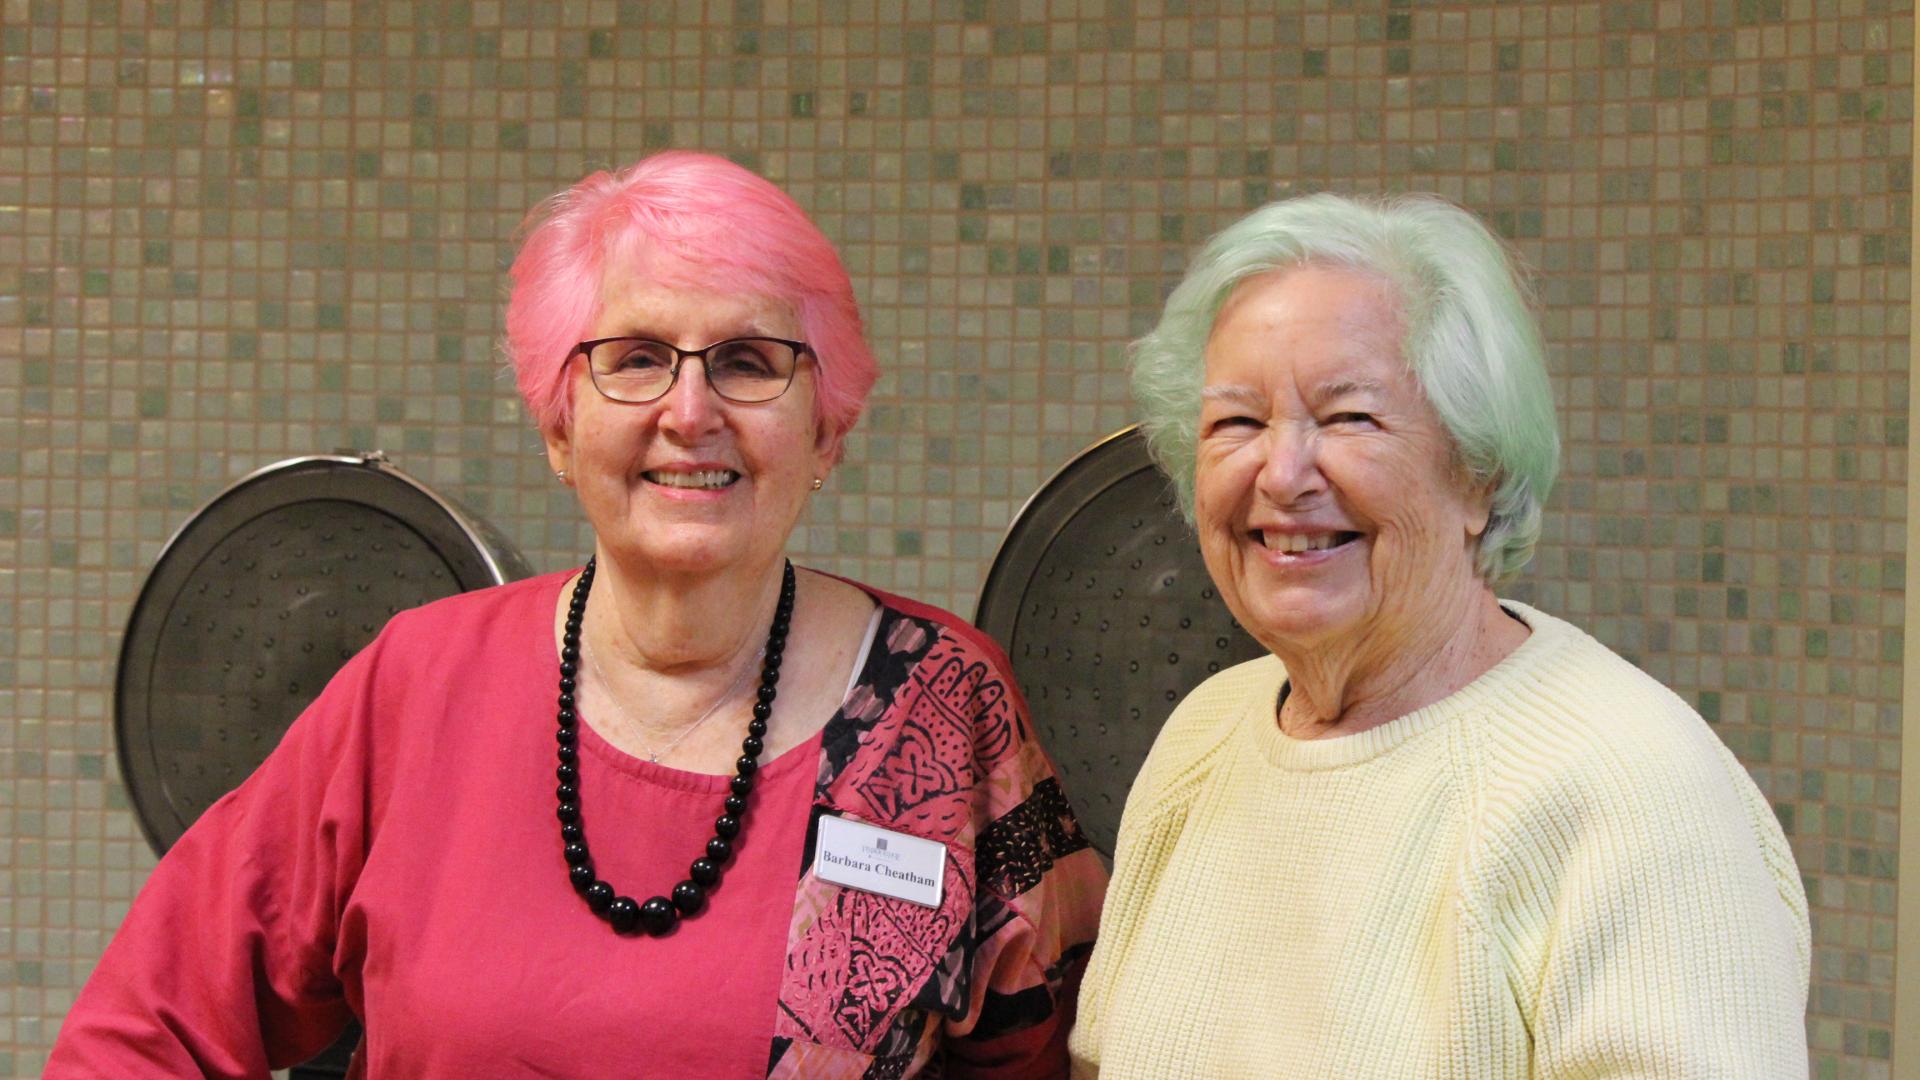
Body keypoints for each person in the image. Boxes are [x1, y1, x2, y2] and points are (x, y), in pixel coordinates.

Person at [49, 151, 1105, 1078]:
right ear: (560, 425)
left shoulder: (945, 706)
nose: (690, 413)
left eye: (748, 361)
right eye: (635, 358)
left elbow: (1055, 1060)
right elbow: (149, 1025)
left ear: (826, 432)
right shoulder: (416, 686)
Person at [1069, 193, 1809, 1078]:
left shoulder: (1633, 788)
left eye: (1349, 418)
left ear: (1480, 476)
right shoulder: (1204, 737)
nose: (1283, 472)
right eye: (1237, 422)